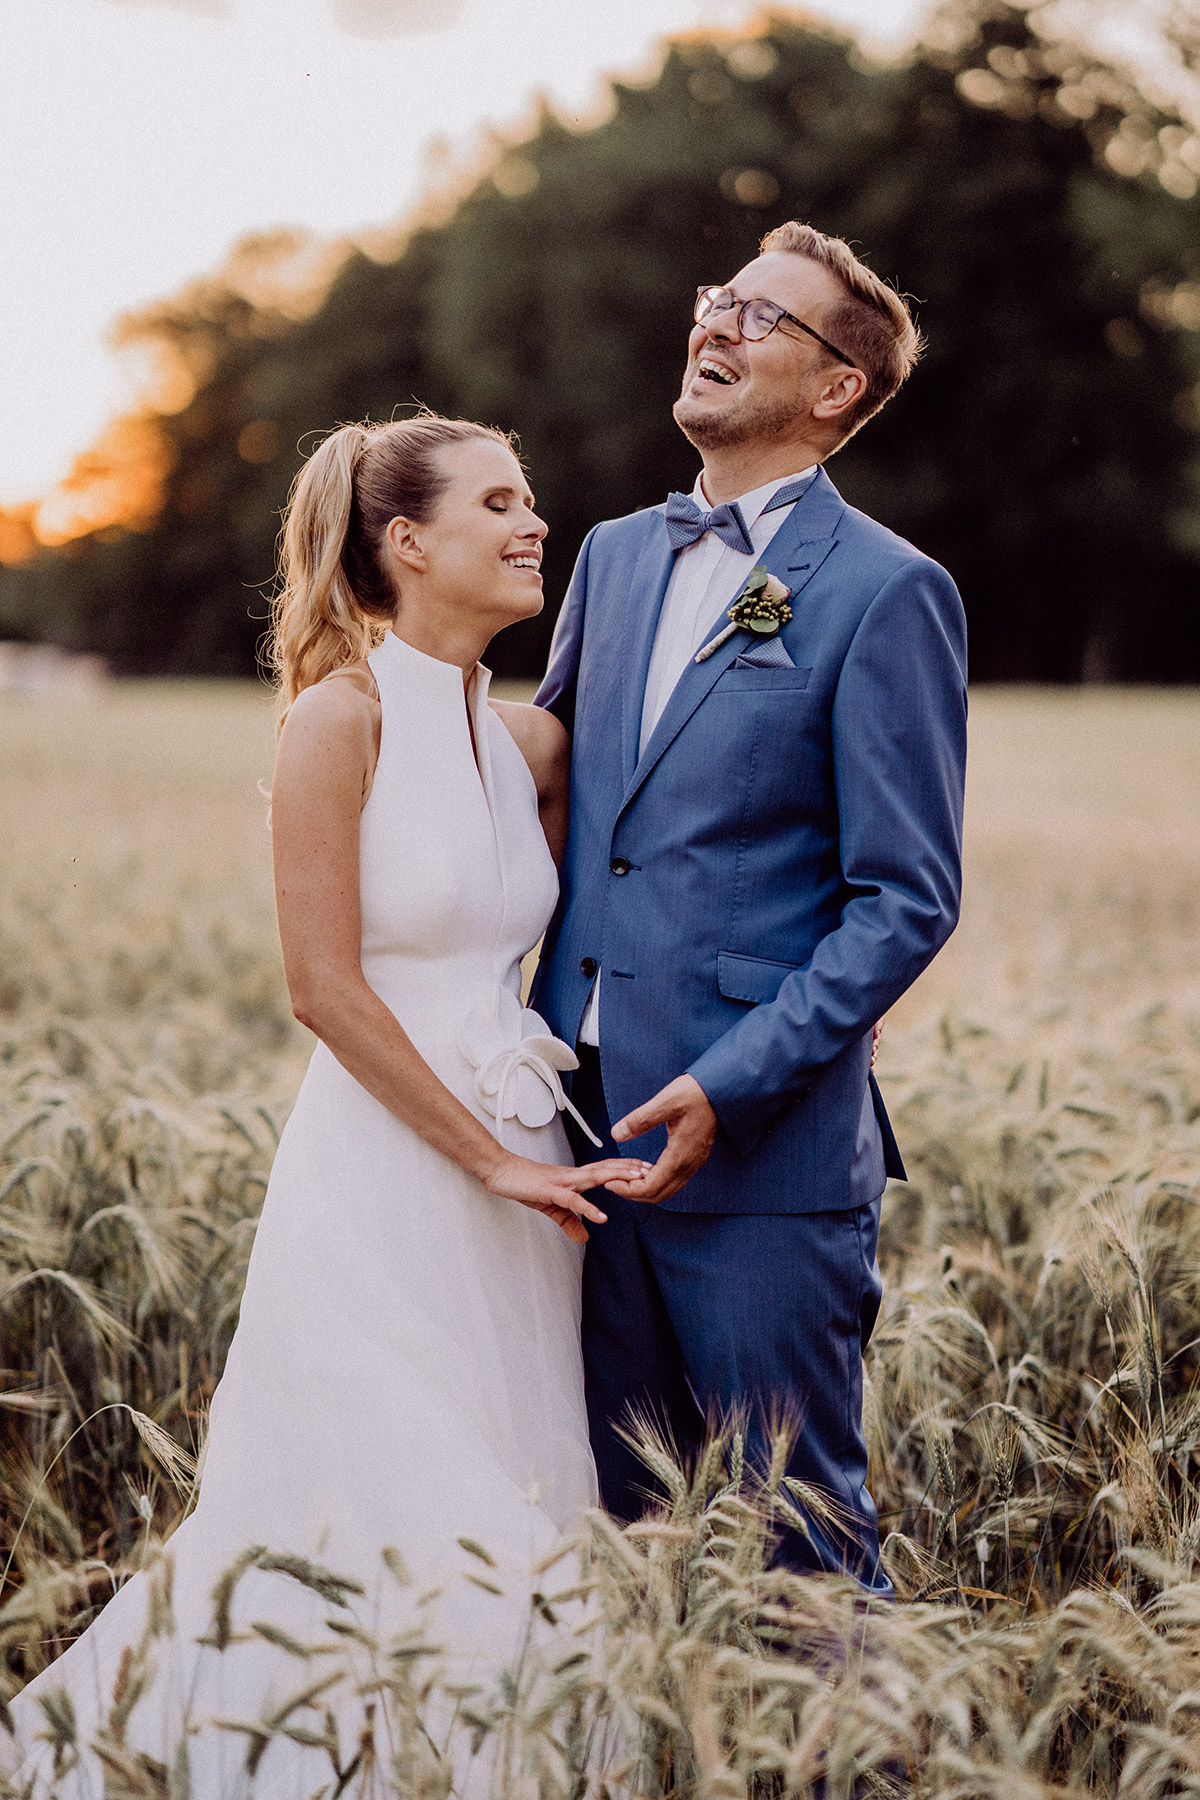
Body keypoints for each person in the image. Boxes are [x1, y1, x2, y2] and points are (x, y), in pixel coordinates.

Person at [3, 416, 642, 1790]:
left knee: (523, 1480)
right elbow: (324, 988)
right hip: (393, 1169)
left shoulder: (530, 741)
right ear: (405, 540)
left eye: (530, 499)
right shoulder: (337, 722)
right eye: (498, 503)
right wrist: (490, 1160)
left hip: (527, 1157)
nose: (535, 523)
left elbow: (600, 929)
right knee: (382, 1488)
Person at [534, 221, 969, 1592]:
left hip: (761, 1159)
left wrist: (733, 1083)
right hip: (572, 1132)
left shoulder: (890, 591)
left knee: (798, 1549)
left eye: (764, 317)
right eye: (719, 297)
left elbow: (906, 899)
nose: (716, 324)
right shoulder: (611, 555)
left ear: (839, 388)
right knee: (625, 1543)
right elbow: (549, 797)